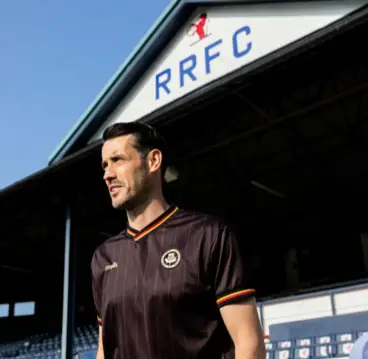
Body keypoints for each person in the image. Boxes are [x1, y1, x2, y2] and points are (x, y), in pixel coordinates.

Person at [91, 122, 266, 359]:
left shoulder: (207, 235)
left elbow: (249, 343)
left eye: (118, 160)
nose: (107, 174)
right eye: (105, 165)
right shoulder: (103, 257)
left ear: (153, 161)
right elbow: (105, 348)